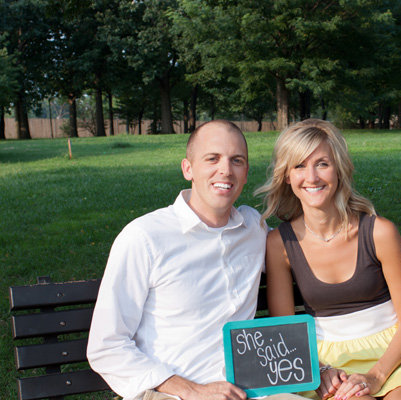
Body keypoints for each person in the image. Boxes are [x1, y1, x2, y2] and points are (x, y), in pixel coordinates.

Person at [88, 120, 280, 400]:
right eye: (212, 158)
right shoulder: (145, 237)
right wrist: (191, 391)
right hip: (171, 393)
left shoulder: (254, 228)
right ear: (187, 168)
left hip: (250, 390)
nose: (225, 170)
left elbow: (307, 251)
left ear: (246, 172)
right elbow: (106, 346)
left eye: (236, 160)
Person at [257, 119, 401, 400]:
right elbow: (286, 330)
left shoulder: (379, 232)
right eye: (299, 165)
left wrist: (376, 375)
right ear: (286, 176)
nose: (312, 177)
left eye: (322, 163)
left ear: (339, 169)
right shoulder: (280, 244)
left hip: (397, 355)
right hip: (329, 363)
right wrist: (320, 370)